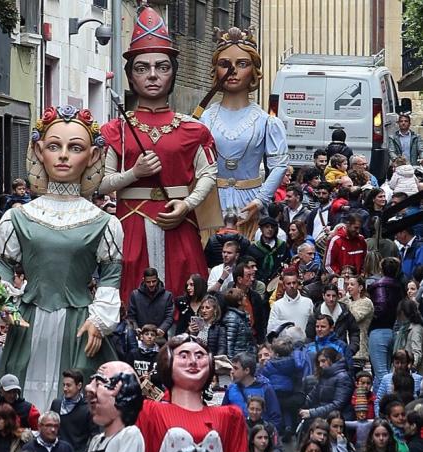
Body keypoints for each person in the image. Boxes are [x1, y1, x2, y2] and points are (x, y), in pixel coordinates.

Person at [0, 105, 123, 412]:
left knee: (79, 402)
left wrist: (99, 321)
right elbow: (2, 266)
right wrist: (5, 306)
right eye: (55, 146)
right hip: (27, 321)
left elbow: (110, 276)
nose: (63, 155)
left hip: (80, 323)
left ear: (92, 156)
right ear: (39, 151)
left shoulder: (105, 222)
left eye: (74, 147)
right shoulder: (17, 217)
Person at [100, 6, 217, 302]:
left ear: (172, 73)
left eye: (162, 67)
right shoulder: (115, 130)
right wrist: (133, 174)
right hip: (130, 225)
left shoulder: (194, 130)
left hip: (178, 223)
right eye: (142, 68)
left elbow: (209, 174)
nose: (152, 75)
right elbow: (99, 183)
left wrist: (187, 204)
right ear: (131, 76)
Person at [199, 27, 288, 238]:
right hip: (211, 201)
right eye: (225, 64)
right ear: (216, 70)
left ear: (253, 71)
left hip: (251, 200)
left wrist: (260, 200)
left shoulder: (266, 122)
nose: (233, 71)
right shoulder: (204, 119)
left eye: (242, 64)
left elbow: (279, 165)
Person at [136, 335, 248, 452]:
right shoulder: (148, 412)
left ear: (211, 362)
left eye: (200, 356)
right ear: (167, 360)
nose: (193, 361)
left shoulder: (230, 416)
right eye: (183, 356)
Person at [83, 361, 145, 452]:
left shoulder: (129, 435)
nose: (89, 388)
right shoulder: (96, 441)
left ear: (120, 390)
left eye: (98, 384)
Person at [369, 257, 405, 392]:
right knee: (384, 374)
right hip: (393, 330)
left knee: (382, 374)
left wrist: (371, 319)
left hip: (379, 330)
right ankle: (380, 408)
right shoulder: (399, 286)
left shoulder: (379, 286)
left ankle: (391, 403)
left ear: (381, 269)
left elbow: (381, 308)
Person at [222, 352, 281, 431]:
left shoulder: (265, 388)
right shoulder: (231, 389)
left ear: (246, 370)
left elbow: (275, 418)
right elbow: (223, 415)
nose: (232, 371)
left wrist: (265, 436)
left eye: (236, 368)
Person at [49, 369, 98, 452]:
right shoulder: (57, 404)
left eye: (68, 385)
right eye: (63, 385)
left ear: (79, 386)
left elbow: (94, 437)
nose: (65, 388)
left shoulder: (88, 408)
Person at [300, 348, 354, 423]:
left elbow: (337, 405)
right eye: (319, 362)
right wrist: (298, 404)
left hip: (339, 420)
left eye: (323, 361)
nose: (320, 365)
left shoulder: (343, 377)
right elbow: (312, 396)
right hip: (326, 418)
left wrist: (311, 413)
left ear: (332, 360)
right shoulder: (324, 376)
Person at [305, 284, 360, 357]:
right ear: (323, 296)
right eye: (328, 295)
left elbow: (354, 332)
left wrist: (351, 349)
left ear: (338, 296)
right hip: (319, 354)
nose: (331, 299)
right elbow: (309, 336)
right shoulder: (316, 313)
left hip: (341, 352)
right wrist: (311, 351)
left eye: (334, 296)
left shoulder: (345, 312)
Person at [127, 268, 174, 337]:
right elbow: (131, 316)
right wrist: (136, 328)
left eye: (154, 281)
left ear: (157, 280)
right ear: (144, 281)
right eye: (148, 282)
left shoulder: (167, 296)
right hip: (141, 337)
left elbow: (169, 317)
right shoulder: (135, 295)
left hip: (160, 337)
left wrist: (162, 329)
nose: (151, 284)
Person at [266, 270, 313, 336]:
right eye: (288, 283)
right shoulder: (277, 305)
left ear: (298, 283)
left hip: (306, 344)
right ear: (284, 286)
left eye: (294, 283)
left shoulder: (308, 302)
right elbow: (270, 329)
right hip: (285, 344)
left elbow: (313, 325)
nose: (292, 286)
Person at [343, 276, 373, 370]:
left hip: (358, 350)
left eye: (352, 284)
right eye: (347, 284)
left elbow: (355, 317)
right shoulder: (347, 300)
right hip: (344, 347)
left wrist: (346, 300)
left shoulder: (366, 302)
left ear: (360, 287)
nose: (349, 287)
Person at [223, 287, 256, 357]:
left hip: (246, 356)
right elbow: (229, 343)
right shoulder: (232, 318)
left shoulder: (243, 315)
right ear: (239, 301)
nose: (245, 297)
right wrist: (231, 363)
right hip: (238, 359)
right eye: (243, 296)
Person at [393, 300, 423, 374]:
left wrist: (410, 367)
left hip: (409, 373)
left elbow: (417, 352)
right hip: (402, 369)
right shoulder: (403, 328)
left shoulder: (416, 329)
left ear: (404, 313)